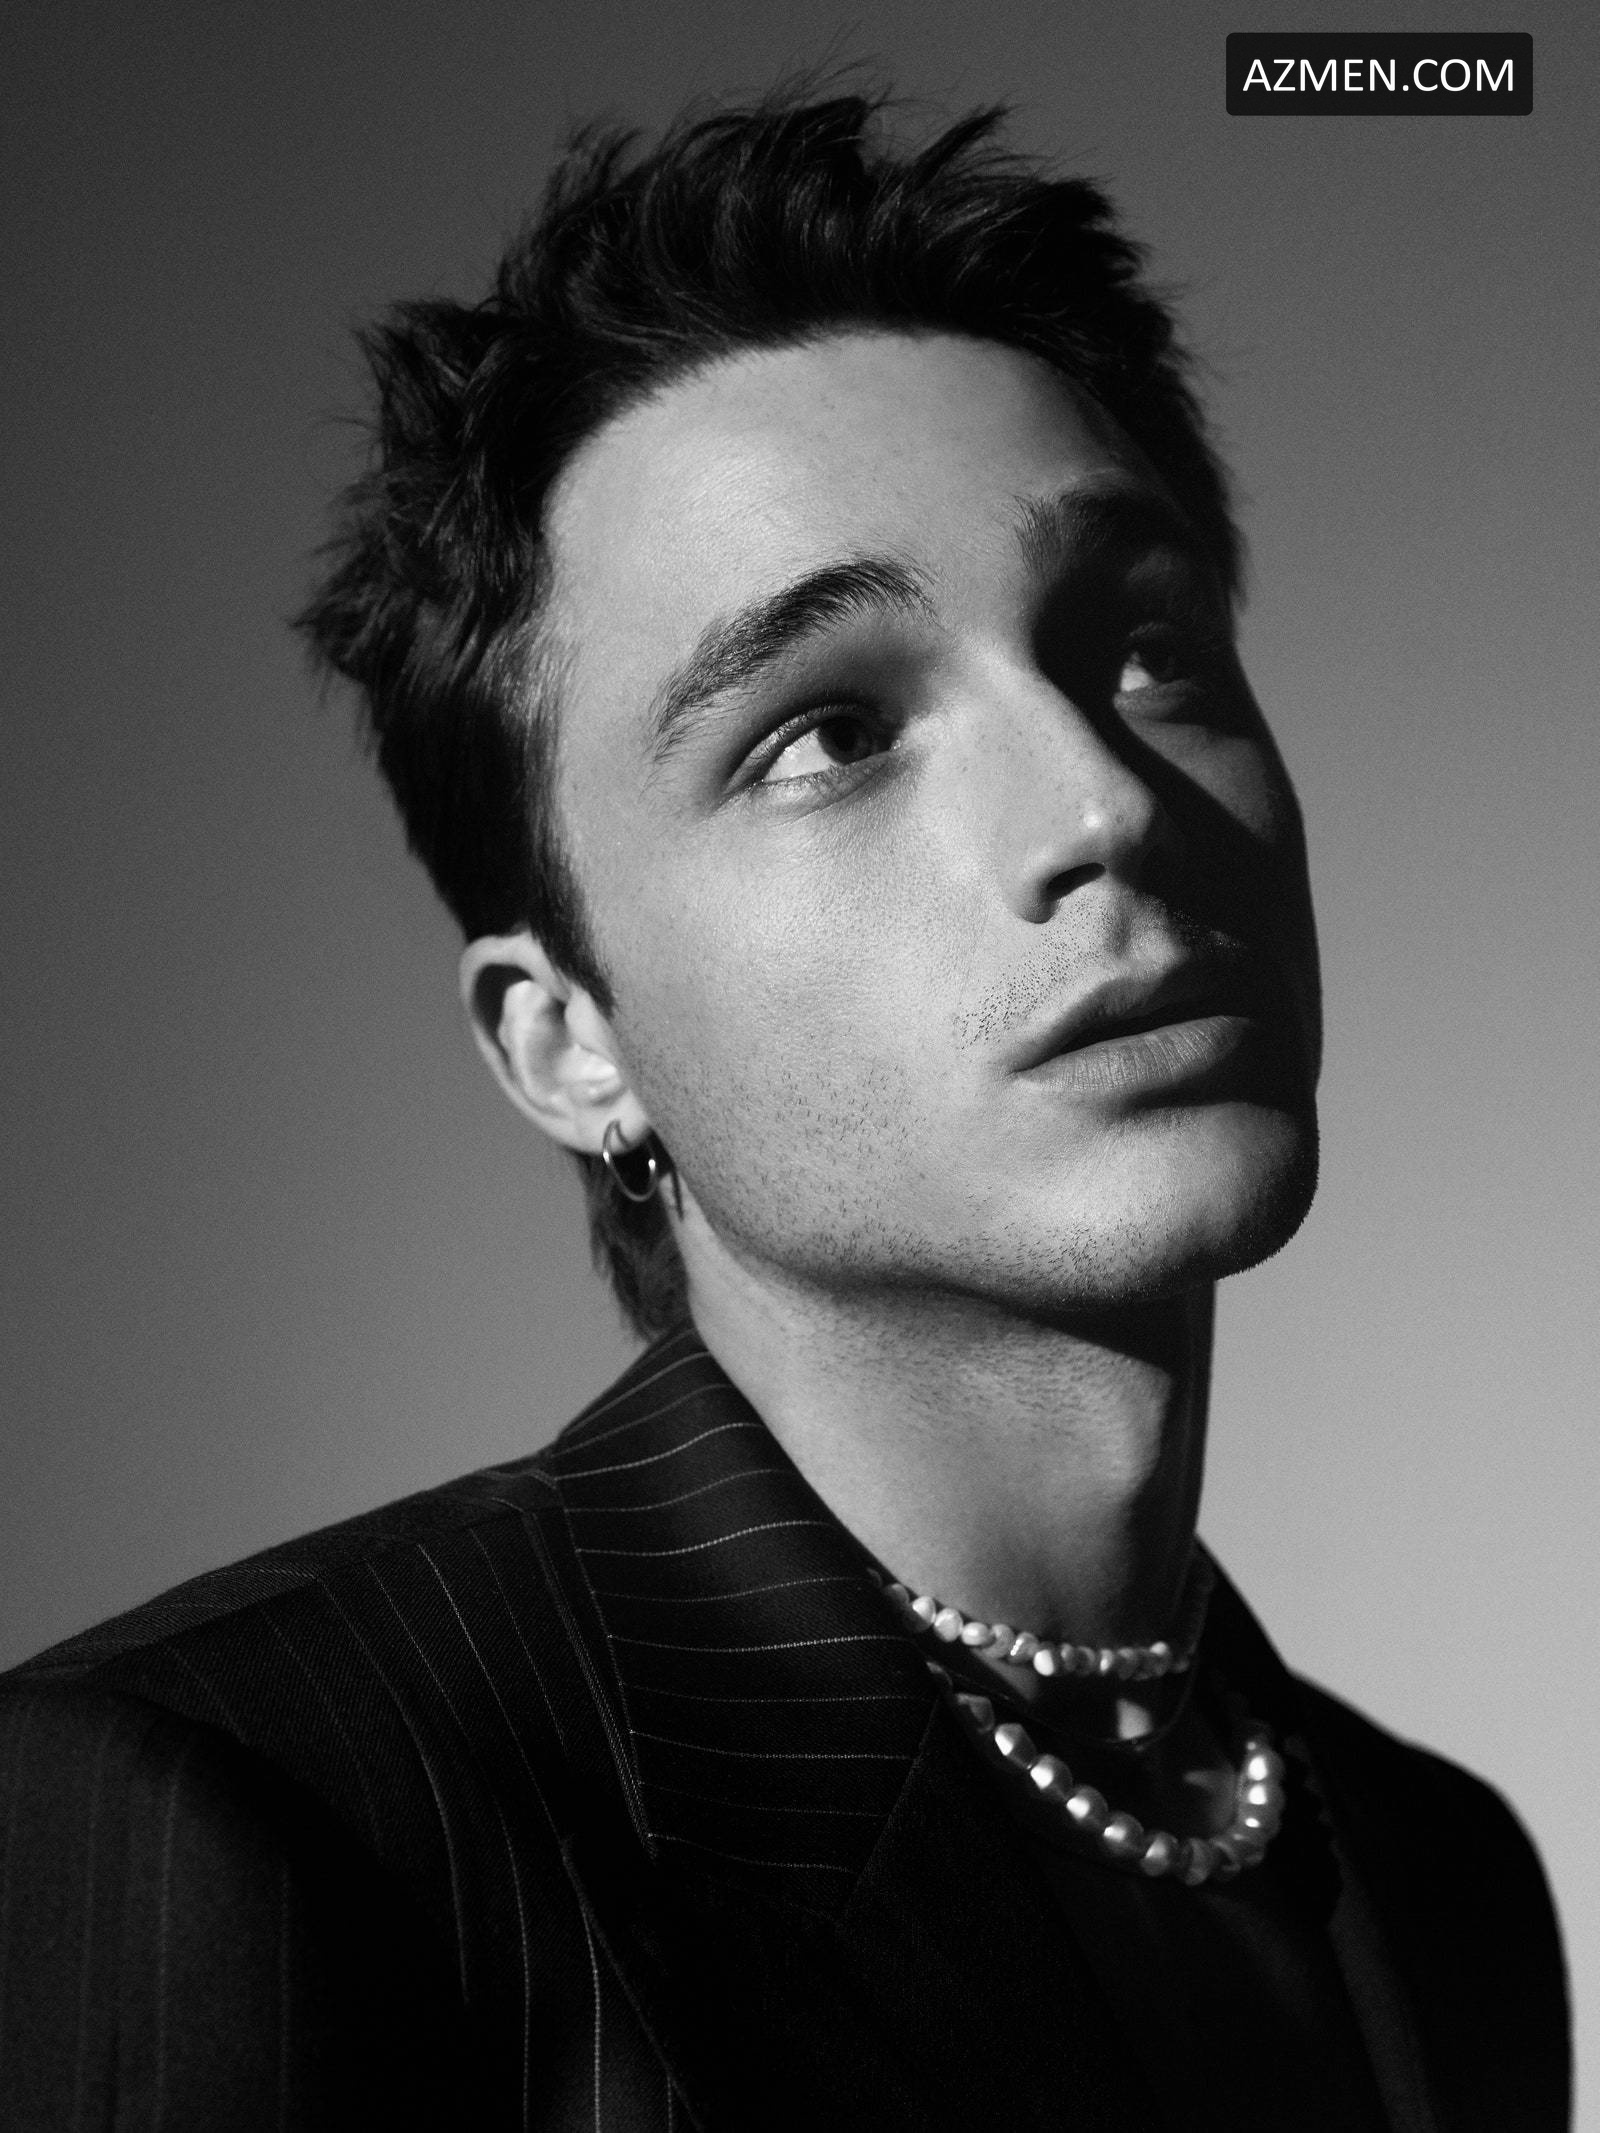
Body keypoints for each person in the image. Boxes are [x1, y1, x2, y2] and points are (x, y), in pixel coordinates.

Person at [0, 91, 1569, 2132]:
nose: (1102, 804)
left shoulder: (1439, 1875)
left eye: (1146, 646)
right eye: (826, 730)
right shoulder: (240, 1801)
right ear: (569, 1040)